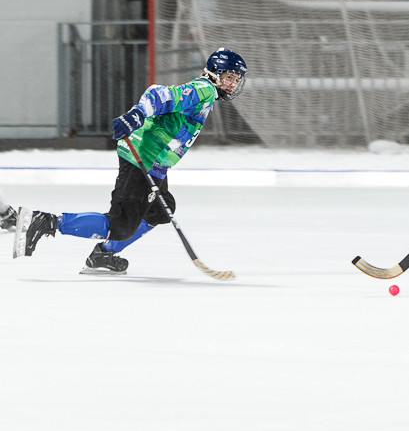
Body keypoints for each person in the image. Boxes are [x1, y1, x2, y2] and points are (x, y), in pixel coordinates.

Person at [12, 48, 248, 274]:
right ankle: (46, 221)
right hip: (142, 158)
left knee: (160, 210)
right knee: (120, 225)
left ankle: (103, 255)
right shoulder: (203, 89)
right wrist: (137, 114)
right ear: (213, 74)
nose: (232, 84)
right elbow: (158, 94)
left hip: (154, 164)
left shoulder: (207, 95)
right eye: (229, 77)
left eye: (236, 80)